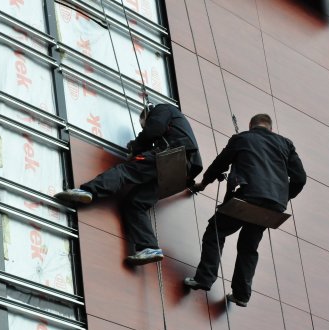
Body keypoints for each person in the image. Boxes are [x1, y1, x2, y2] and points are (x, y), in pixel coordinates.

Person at [55, 103, 203, 266]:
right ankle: (149, 247)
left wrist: (135, 146)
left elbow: (153, 129)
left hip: (172, 156)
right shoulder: (175, 121)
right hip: (181, 173)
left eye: (144, 123)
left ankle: (87, 191)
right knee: (135, 203)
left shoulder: (162, 109)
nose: (145, 126)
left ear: (147, 115)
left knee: (125, 171)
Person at [184, 114, 306, 307]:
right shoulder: (286, 144)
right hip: (273, 207)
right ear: (270, 128)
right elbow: (300, 179)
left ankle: (205, 278)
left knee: (216, 230)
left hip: (247, 196)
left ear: (251, 126)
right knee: (249, 247)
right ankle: (241, 295)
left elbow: (220, 164)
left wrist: (203, 183)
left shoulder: (243, 138)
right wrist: (283, 197)